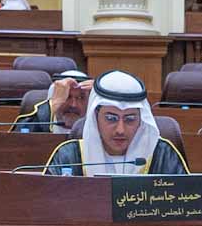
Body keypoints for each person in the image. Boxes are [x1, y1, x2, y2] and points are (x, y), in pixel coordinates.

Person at [40, 71, 190, 175]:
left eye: (130, 119)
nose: (120, 130)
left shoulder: (162, 154)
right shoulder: (69, 156)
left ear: (141, 120)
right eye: (111, 118)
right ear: (95, 117)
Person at [21, 69, 92, 131]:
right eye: (67, 96)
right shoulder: (37, 123)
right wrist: (54, 106)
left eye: (80, 98)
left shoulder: (94, 129)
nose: (73, 105)